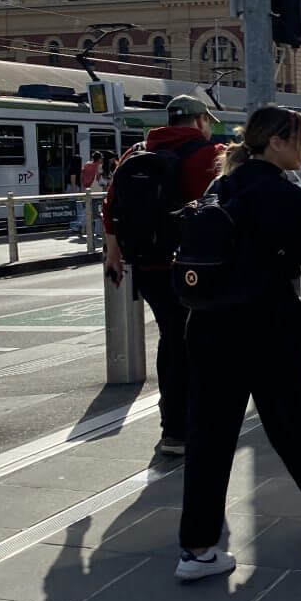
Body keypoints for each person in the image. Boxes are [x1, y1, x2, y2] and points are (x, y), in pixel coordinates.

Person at [176, 106, 301, 580]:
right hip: (268, 326)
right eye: (299, 139)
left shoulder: (220, 185)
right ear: (276, 143)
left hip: (208, 326)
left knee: (209, 437)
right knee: (288, 423)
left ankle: (197, 549)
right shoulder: (281, 193)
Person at [103, 96, 220, 457]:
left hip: (147, 264)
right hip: (193, 268)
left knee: (171, 337)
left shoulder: (137, 151)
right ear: (199, 121)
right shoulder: (209, 154)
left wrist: (113, 253)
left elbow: (110, 206)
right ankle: (186, 424)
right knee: (196, 342)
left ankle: (172, 423)